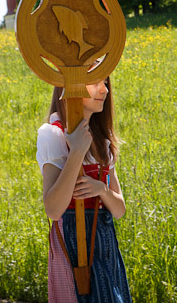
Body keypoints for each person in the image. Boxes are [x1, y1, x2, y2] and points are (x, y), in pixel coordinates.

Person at [37, 76, 132, 302]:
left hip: (104, 242)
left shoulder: (102, 140)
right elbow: (53, 209)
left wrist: (100, 188)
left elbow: (119, 210)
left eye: (105, 83)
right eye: (96, 82)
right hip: (73, 242)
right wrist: (77, 151)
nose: (105, 90)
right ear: (71, 85)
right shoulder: (54, 134)